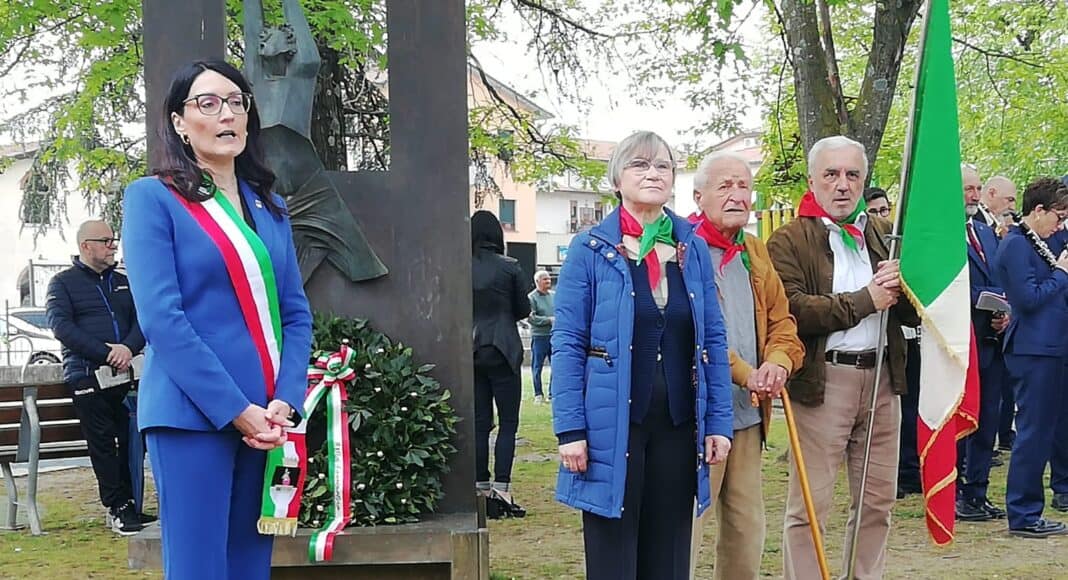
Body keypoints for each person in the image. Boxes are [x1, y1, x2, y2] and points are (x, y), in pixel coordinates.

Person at [121, 60, 313, 578]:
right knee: (198, 568)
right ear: (179, 122)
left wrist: (285, 401)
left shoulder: (270, 207)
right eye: (207, 103)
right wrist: (236, 409)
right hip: (192, 415)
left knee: (251, 566)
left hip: (266, 420)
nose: (226, 114)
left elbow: (296, 315)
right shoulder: (153, 198)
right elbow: (162, 320)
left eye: (236, 101)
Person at [552, 130, 733, 580]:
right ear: (617, 179)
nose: (653, 173)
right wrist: (570, 429)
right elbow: (568, 342)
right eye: (639, 164)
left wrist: (718, 423)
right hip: (611, 429)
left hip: (678, 426)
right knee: (613, 559)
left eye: (662, 166)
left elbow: (712, 338)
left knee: (668, 558)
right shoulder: (590, 250)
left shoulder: (690, 247)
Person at [767, 135, 919, 580]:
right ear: (813, 180)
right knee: (810, 505)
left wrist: (907, 286)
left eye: (853, 175)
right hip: (824, 382)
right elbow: (794, 309)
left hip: (883, 380)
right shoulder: (788, 239)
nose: (842, 184)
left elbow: (912, 312)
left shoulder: (884, 234)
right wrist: (866, 300)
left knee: (877, 502)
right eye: (831, 174)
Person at [686, 152, 804, 580]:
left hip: (748, 418)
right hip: (697, 416)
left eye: (743, 186)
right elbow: (696, 335)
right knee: (686, 529)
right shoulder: (682, 249)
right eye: (725, 186)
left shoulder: (754, 249)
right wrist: (746, 373)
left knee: (746, 530)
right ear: (698, 196)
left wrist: (777, 364)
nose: (737, 195)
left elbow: (782, 322)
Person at [45, 220, 149, 535]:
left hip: (127, 375)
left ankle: (131, 503)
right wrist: (106, 353)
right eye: (105, 241)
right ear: (85, 246)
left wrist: (127, 349)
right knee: (103, 442)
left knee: (132, 440)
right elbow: (62, 327)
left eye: (113, 239)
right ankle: (117, 506)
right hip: (88, 375)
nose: (112, 246)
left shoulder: (124, 283)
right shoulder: (62, 284)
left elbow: (143, 321)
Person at [992, 177, 1068, 538]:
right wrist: (1062, 273)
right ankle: (1023, 512)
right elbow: (1029, 299)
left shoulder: (1034, 242)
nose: (1060, 225)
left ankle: (1029, 509)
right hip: (1032, 348)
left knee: (1043, 430)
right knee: (1032, 433)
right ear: (1038, 210)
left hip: (1049, 346)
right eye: (1058, 216)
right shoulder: (1016, 245)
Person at [957, 166, 1010, 522]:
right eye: (968, 189)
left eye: (977, 188)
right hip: (960, 342)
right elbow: (947, 284)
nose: (974, 196)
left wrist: (1004, 308)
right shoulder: (943, 235)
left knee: (988, 420)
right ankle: (955, 492)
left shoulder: (985, 232)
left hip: (991, 340)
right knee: (962, 421)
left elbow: (1000, 277)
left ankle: (977, 491)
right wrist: (984, 298)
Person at [471, 210, 531, 517]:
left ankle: (480, 489)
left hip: (471, 349)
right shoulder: (510, 266)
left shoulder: (460, 266)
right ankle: (502, 490)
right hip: (504, 349)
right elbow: (523, 309)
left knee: (480, 423)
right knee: (508, 422)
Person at [527, 270, 555, 403]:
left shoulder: (554, 296)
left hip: (553, 335)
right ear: (537, 282)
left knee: (555, 365)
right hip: (539, 337)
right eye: (545, 279)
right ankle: (538, 394)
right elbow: (531, 318)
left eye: (549, 279)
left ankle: (552, 394)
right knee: (537, 366)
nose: (548, 281)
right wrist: (548, 320)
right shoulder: (531, 298)